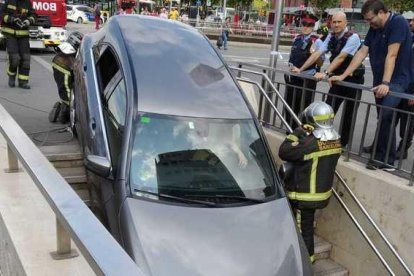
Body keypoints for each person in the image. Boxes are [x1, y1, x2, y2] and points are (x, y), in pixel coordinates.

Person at [329, 0, 413, 171]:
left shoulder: (397, 23)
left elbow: (392, 54)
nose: (369, 23)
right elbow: (362, 52)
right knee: (383, 117)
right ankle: (382, 156)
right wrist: (344, 75)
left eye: (370, 19)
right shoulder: (375, 28)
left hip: (397, 80)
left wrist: (386, 82)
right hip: (381, 80)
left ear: (382, 12)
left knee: (386, 115)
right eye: (366, 20)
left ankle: (385, 160)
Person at [279, 101, 341, 263]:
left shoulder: (309, 145)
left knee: (303, 232)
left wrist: (297, 132)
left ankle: (306, 263)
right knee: (306, 228)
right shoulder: (336, 141)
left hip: (305, 197)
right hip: (322, 194)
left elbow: (284, 151)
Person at [292, 11, 365, 149]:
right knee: (328, 111)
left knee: (349, 113)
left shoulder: (353, 37)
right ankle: (321, 139)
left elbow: (341, 57)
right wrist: (300, 69)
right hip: (336, 79)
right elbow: (318, 53)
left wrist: (325, 72)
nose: (336, 25)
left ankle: (342, 145)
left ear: (345, 23)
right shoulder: (331, 36)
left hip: (353, 79)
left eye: (339, 22)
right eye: (334, 22)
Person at [284, 17, 319, 129]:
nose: (305, 27)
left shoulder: (316, 41)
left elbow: (320, 63)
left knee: (305, 108)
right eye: (304, 24)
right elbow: (292, 55)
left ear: (313, 27)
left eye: (309, 25)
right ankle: (291, 129)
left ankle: (303, 132)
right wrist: (290, 66)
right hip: (294, 77)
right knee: (290, 105)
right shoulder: (297, 38)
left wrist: (314, 53)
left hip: (307, 79)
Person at [48, 32, 83, 124]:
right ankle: (62, 112)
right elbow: (65, 87)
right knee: (67, 93)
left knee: (70, 91)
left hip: (61, 67)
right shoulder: (68, 55)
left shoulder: (67, 51)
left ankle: (63, 107)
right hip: (63, 70)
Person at [1, 0, 36, 89]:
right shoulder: (8, 1)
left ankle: (23, 81)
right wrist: (11, 19)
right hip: (10, 34)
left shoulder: (27, 2)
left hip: (23, 34)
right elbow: (1, 13)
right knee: (15, 57)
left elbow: (34, 15)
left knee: (25, 58)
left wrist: (29, 21)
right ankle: (11, 76)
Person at [395, 14, 414, 159]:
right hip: (401, 84)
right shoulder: (410, 38)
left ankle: (403, 148)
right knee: (389, 117)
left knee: (407, 123)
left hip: (411, 89)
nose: (411, 23)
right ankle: (380, 143)